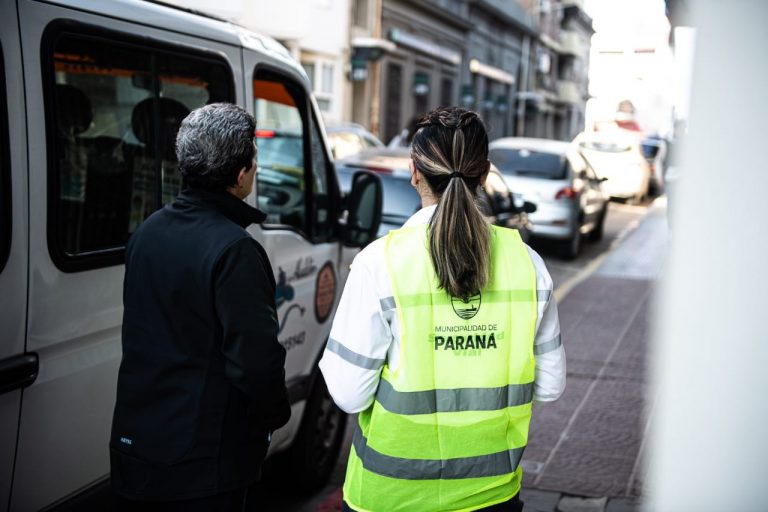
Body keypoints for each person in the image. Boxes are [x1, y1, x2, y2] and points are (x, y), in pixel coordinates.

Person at [320, 106, 565, 512]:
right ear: (484, 175)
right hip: (491, 496)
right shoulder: (528, 264)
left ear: (414, 171)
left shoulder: (379, 263)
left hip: (390, 498)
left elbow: (349, 394)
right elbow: (551, 386)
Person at [110, 103, 291, 511]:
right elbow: (256, 361)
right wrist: (274, 415)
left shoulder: (148, 231)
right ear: (241, 174)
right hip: (202, 465)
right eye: (254, 160)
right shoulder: (235, 249)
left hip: (135, 445)